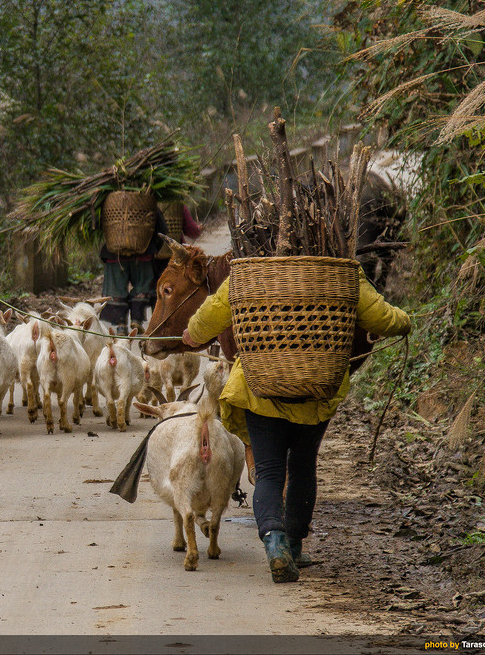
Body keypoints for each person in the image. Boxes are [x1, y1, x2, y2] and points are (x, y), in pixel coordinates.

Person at [181, 269, 410, 583]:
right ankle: (294, 545)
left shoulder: (249, 273)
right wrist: (405, 320)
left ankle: (275, 545)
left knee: (270, 470)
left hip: (261, 390)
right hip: (316, 390)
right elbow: (384, 319)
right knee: (302, 466)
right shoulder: (340, 273)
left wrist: (191, 336)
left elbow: (202, 325)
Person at [98, 205, 169, 334]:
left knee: (116, 289)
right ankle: (136, 319)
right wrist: (152, 248)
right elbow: (162, 229)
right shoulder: (147, 204)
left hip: (115, 255)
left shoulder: (109, 205)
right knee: (143, 286)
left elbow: (99, 228)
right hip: (143, 254)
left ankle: (121, 324)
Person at [153, 203, 204, 284]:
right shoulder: (179, 206)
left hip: (152, 255)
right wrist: (198, 230)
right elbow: (191, 230)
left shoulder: (149, 204)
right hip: (176, 256)